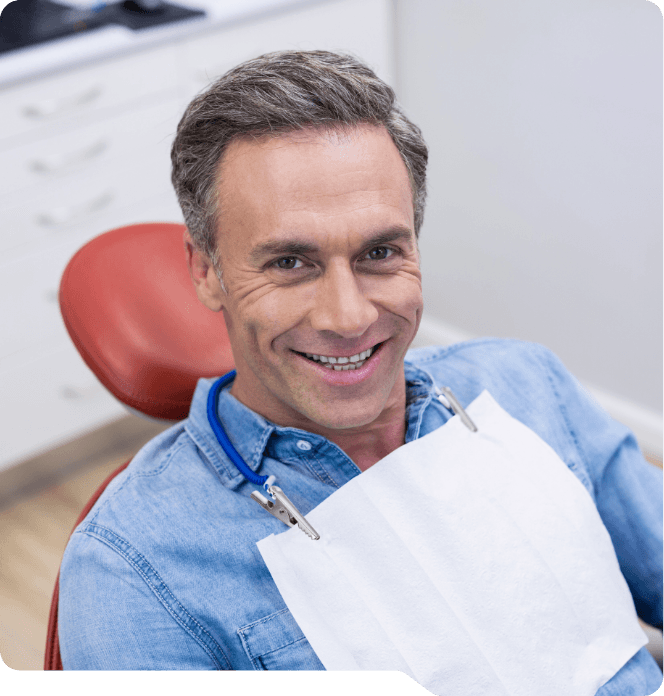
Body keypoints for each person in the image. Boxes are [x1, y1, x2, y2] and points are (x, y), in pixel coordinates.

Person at [58, 50, 662, 689]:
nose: (348, 318)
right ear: (206, 271)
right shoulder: (133, 569)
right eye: (291, 262)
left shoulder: (524, 384)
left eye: (380, 252)